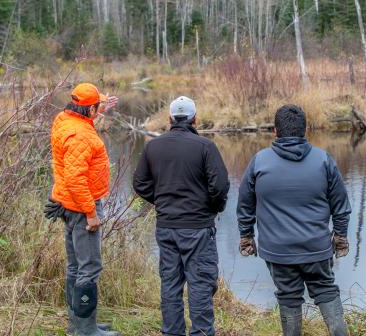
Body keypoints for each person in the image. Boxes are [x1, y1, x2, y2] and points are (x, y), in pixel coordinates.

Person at [237, 104, 352, 336]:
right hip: (316, 248)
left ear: (275, 131)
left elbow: (244, 205)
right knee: (327, 291)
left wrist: (246, 236)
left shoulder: (259, 162)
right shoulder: (324, 160)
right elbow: (341, 206)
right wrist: (340, 237)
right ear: (305, 130)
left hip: (278, 251)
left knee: (288, 298)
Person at [133, 96, 230, 336]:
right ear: (194, 119)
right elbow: (220, 186)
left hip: (166, 227)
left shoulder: (152, 146)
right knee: (200, 284)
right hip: (197, 227)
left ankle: (172, 332)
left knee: (170, 284)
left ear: (169, 119)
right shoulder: (205, 146)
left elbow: (139, 183)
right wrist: (212, 208)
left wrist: (162, 201)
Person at [47, 83, 119, 336]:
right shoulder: (82, 136)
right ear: (89, 109)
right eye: (97, 106)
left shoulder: (64, 119)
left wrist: (100, 108)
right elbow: (77, 177)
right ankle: (85, 330)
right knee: (89, 267)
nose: (99, 109)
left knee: (75, 266)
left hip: (66, 202)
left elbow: (81, 133)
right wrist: (91, 213)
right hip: (81, 205)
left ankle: (78, 323)